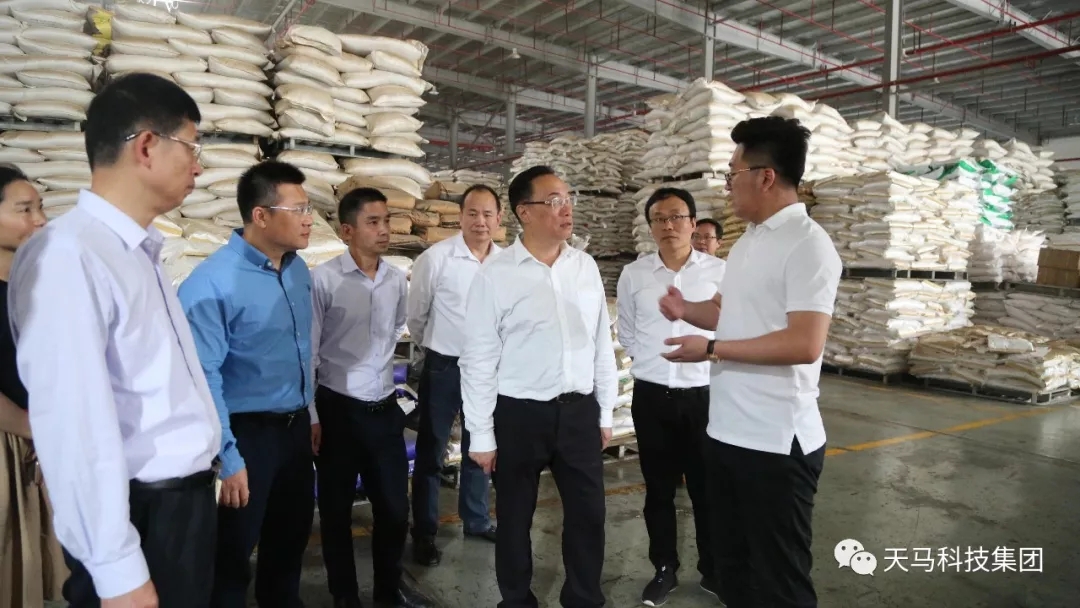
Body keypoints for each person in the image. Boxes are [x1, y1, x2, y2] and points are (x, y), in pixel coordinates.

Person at [8, 73, 221, 607]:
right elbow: (74, 425)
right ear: (146, 145)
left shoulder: (136, 250)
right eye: (191, 147)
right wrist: (117, 570)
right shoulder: (70, 255)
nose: (198, 167)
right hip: (141, 515)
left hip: (178, 510)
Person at [660, 116, 841, 608]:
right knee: (733, 572)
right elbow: (724, 312)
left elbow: (805, 342)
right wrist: (685, 309)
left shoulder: (808, 245)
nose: (727, 185)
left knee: (780, 581)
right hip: (727, 433)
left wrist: (711, 349)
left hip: (776, 443)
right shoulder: (749, 242)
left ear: (765, 177)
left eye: (732, 173)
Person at [460, 165, 618, 608]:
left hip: (579, 411)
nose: (566, 209)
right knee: (514, 518)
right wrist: (481, 434)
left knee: (589, 514)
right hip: (519, 414)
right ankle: (515, 599)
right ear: (524, 212)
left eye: (568, 199)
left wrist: (605, 411)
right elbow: (478, 359)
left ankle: (583, 598)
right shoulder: (495, 275)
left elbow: (600, 343)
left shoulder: (584, 267)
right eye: (553, 201)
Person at [178, 161, 318, 608]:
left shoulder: (298, 271)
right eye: (298, 209)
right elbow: (202, 379)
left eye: (309, 208)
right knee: (232, 552)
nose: (309, 219)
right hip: (245, 434)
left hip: (294, 430)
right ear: (261, 215)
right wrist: (229, 457)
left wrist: (311, 414)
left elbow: (302, 352)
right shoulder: (210, 285)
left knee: (289, 540)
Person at [311, 187, 432, 608]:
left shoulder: (396, 279)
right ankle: (344, 595)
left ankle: (388, 591)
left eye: (386, 221)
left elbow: (397, 330)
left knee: (395, 510)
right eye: (373, 222)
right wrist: (312, 414)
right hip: (337, 410)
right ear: (347, 231)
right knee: (336, 510)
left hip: (383, 411)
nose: (384, 230)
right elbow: (309, 352)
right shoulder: (324, 280)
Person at [615, 187, 726, 606]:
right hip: (652, 397)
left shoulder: (720, 272)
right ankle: (664, 568)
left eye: (677, 216)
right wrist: (651, 362)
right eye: (659, 218)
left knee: (706, 489)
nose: (668, 225)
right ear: (650, 227)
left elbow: (731, 327)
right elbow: (627, 330)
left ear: (693, 223)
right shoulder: (635, 274)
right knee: (658, 489)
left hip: (704, 396)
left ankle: (714, 569)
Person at [407, 184, 502, 566]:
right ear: (460, 216)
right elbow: (417, 317)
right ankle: (424, 533)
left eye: (488, 214)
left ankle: (476, 520)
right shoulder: (437, 258)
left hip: (487, 371)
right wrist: (438, 346)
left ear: (499, 219)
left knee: (479, 447)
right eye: (472, 213)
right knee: (431, 451)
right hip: (444, 365)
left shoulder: (508, 263)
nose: (480, 221)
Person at [0, 166, 64, 608]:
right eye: (24, 210)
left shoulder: (42, 288)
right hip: (10, 443)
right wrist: (29, 426)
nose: (40, 219)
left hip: (40, 446)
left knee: (34, 574)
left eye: (40, 207)